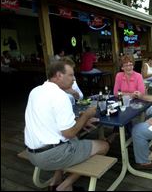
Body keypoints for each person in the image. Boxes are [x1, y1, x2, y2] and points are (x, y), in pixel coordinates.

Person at [24, 60, 109, 191]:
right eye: (71, 75)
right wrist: (86, 116)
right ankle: (64, 186)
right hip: (50, 155)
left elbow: (51, 121)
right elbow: (68, 133)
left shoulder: (36, 91)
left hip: (32, 153)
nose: (74, 79)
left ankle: (55, 182)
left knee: (73, 140)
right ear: (59, 75)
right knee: (104, 146)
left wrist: (80, 122)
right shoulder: (59, 96)